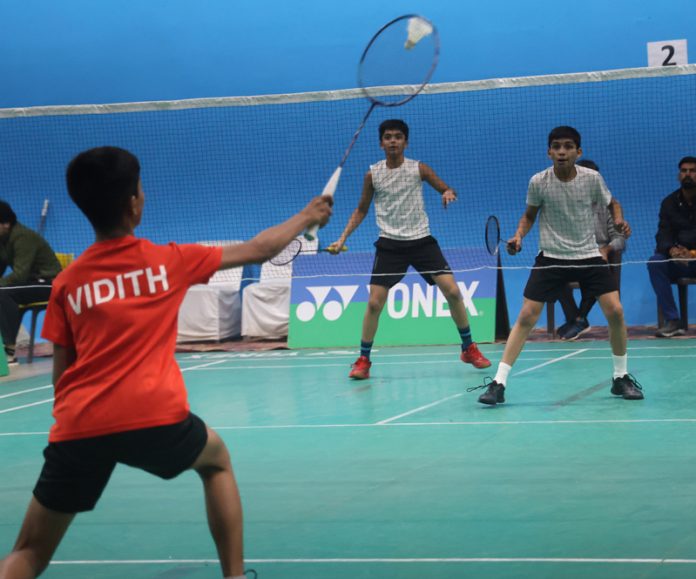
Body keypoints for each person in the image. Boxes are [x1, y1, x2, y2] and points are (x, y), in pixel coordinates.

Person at [0, 146, 332, 579]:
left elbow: (62, 377)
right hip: (153, 416)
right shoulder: (170, 260)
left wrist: (79, 427)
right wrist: (307, 216)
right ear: (134, 204)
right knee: (215, 462)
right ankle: (234, 575)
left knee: (28, 551)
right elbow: (258, 249)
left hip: (79, 423)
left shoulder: (68, 283)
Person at [468, 126, 643, 405]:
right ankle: (498, 383)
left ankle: (620, 378)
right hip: (551, 256)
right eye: (557, 146)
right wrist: (518, 236)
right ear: (549, 151)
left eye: (568, 146)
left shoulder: (592, 178)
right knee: (526, 317)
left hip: (588, 255)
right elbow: (529, 215)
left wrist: (619, 220)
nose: (562, 151)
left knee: (616, 311)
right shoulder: (538, 181)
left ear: (578, 152)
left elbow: (613, 204)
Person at [328, 119, 490, 380]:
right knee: (373, 303)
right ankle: (363, 359)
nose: (393, 141)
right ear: (381, 143)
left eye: (398, 137)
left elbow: (446, 187)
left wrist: (448, 193)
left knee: (453, 291)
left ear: (406, 142)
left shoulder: (419, 169)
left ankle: (468, 348)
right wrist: (341, 237)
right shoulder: (372, 174)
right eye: (388, 137)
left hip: (421, 241)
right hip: (390, 245)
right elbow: (361, 209)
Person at [555, 159, 630, 340]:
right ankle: (575, 319)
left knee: (594, 267)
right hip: (573, 257)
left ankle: (579, 319)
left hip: (599, 257)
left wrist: (606, 249)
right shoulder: (565, 207)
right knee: (552, 273)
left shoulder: (610, 206)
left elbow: (620, 238)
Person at [0, 201, 62, 365]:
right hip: (31, 285)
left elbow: (20, 275)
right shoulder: (3, 240)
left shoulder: (23, 237)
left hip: (51, 284)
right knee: (5, 293)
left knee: (4, 293)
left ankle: (9, 351)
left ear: (6, 224)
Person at [647, 156, 696, 337]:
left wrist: (691, 253)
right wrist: (672, 250)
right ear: (679, 176)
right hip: (678, 262)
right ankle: (673, 321)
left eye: (692, 171)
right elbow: (663, 234)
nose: (688, 174)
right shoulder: (669, 203)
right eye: (684, 171)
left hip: (694, 258)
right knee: (655, 262)